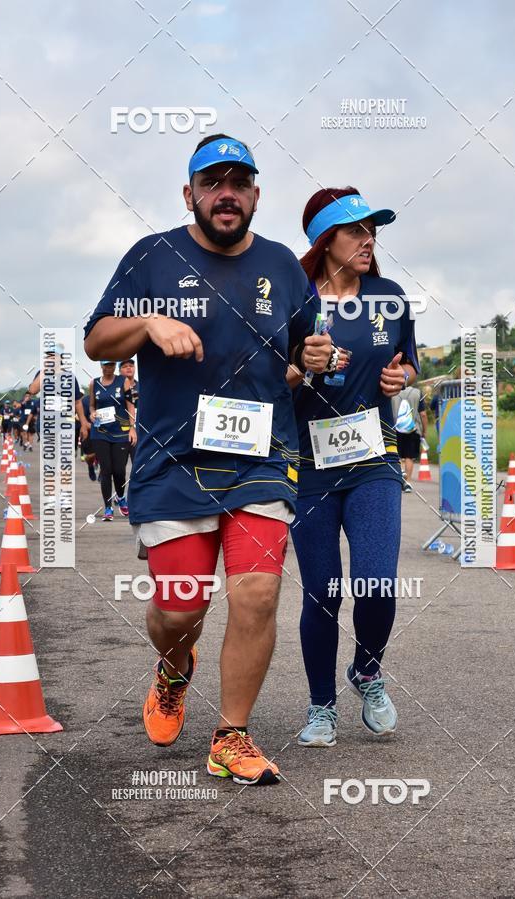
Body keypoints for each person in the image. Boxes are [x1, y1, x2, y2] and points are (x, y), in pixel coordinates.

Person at [84, 133, 331, 785]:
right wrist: (147, 324)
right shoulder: (152, 257)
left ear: (255, 195)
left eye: (239, 183)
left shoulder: (282, 266)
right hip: (174, 463)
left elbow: (304, 350)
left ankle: (231, 735)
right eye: (212, 183)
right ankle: (174, 667)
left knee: (258, 593)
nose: (227, 194)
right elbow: (96, 339)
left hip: (260, 461)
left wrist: (311, 358)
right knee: (181, 609)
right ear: (188, 193)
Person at [288, 186, 419, 748]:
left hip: (374, 459)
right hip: (308, 466)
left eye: (373, 232)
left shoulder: (390, 297)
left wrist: (400, 379)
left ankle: (367, 670)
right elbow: (266, 381)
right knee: (322, 591)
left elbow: (409, 364)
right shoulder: (294, 301)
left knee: (377, 581)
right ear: (325, 240)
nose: (369, 241)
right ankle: (321, 705)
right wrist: (302, 366)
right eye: (356, 232)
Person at [88, 361, 133, 519]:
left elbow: (130, 405)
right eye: (107, 365)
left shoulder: (123, 381)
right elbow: (92, 406)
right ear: (101, 366)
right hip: (100, 433)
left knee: (119, 471)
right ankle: (108, 508)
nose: (110, 368)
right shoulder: (94, 383)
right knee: (106, 470)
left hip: (121, 432)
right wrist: (92, 413)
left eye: (112, 365)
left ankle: (120, 497)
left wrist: (132, 428)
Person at [391, 384, 427, 490]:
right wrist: (424, 431)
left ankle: (399, 480)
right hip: (413, 429)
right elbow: (423, 414)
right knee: (409, 456)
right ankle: (408, 482)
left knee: (397, 455)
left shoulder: (393, 391)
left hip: (395, 428)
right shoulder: (417, 393)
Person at [119, 358, 139, 465]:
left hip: (138, 429)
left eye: (131, 366)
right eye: (125, 366)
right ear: (119, 370)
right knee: (119, 466)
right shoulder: (116, 388)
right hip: (119, 430)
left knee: (137, 463)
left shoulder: (142, 386)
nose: (128, 368)